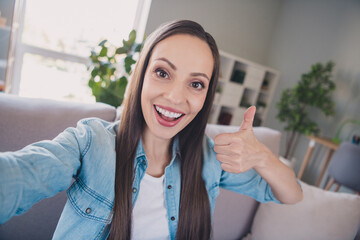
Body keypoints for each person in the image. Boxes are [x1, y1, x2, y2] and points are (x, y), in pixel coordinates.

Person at [0, 20, 302, 240]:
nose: (174, 97)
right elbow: (22, 173)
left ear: (206, 96)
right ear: (141, 75)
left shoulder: (210, 160)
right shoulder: (91, 143)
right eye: (162, 73)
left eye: (195, 84)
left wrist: (262, 156)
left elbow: (291, 194)